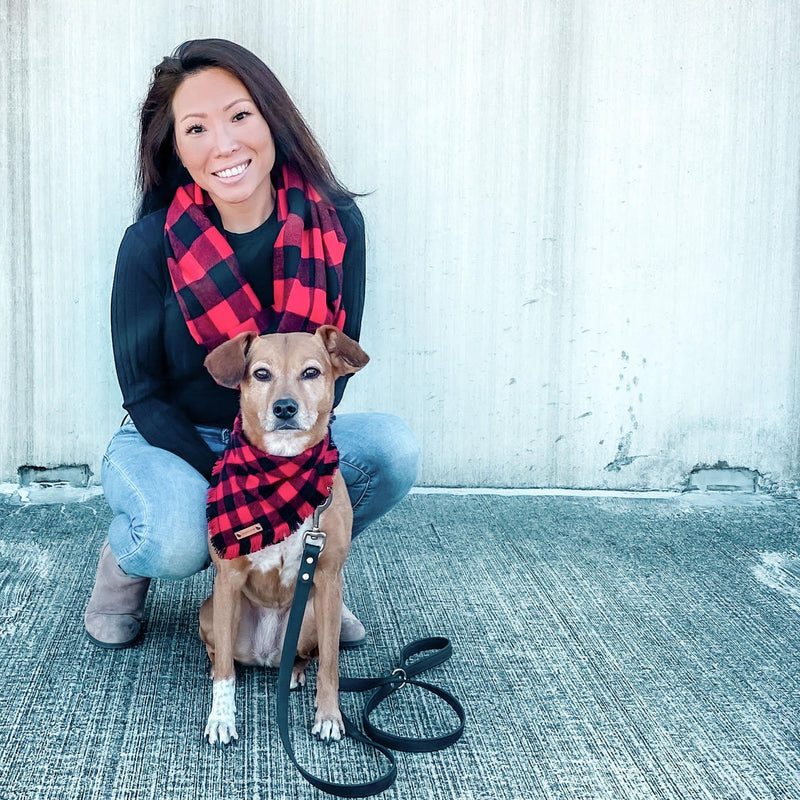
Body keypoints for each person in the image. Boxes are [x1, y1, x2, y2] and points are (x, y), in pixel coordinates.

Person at [84, 38, 419, 650]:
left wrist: (289, 467)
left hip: (285, 429)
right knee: (179, 534)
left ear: (271, 118)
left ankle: (304, 584)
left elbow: (338, 362)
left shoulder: (338, 224)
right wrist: (241, 480)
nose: (225, 144)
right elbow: (144, 393)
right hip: (172, 438)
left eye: (240, 116)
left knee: (393, 450)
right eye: (197, 128)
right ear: (175, 149)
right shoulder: (148, 244)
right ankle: (125, 563)